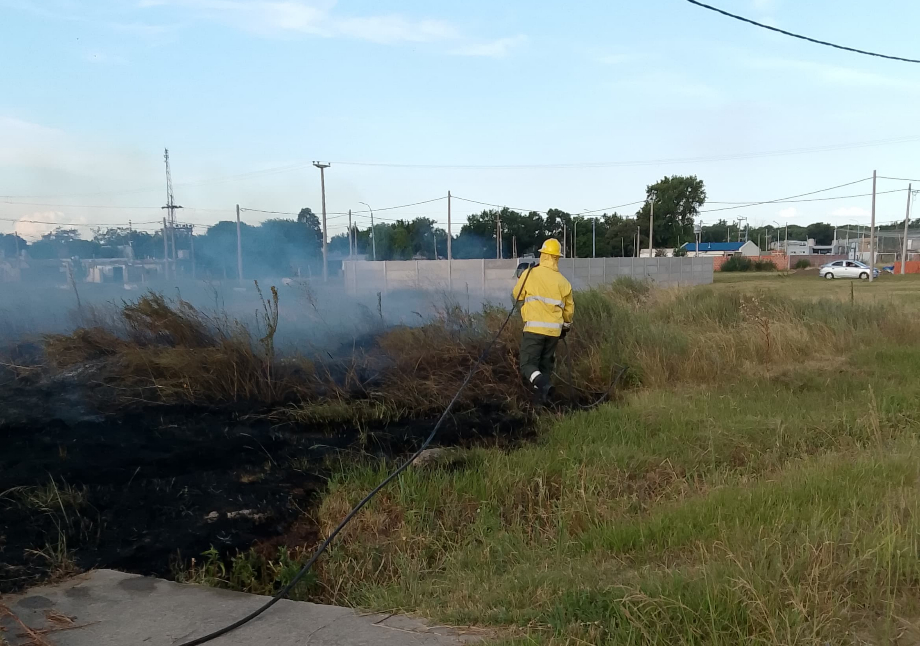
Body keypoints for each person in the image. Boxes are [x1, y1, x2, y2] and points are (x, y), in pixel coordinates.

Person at [511, 238, 575, 403]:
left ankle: (545, 386)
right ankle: (542, 403)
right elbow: (569, 311)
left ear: (543, 255)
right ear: (556, 258)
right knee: (544, 366)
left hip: (534, 329)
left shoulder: (530, 274)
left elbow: (517, 295)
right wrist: (565, 327)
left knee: (527, 365)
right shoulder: (564, 282)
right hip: (554, 332)